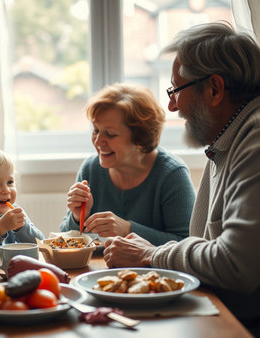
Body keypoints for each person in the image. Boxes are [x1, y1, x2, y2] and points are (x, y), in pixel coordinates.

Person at [103, 22, 260, 335]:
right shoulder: (228, 142)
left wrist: (151, 254)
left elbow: (237, 265)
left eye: (176, 90)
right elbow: (207, 246)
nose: (172, 105)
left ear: (214, 89)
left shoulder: (255, 142)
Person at [59, 83, 196, 245]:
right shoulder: (90, 170)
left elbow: (186, 244)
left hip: (152, 270)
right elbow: (65, 241)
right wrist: (76, 217)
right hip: (101, 268)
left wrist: (128, 230)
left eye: (110, 134)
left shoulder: (172, 175)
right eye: (96, 130)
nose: (98, 141)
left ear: (140, 137)